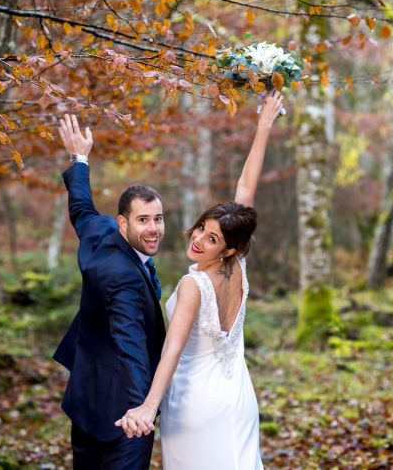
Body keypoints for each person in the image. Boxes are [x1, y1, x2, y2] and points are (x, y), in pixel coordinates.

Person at [115, 91, 284, 469]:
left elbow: (172, 350)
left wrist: (148, 406)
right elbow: (246, 191)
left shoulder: (195, 285)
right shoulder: (238, 265)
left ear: (226, 249)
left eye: (211, 239)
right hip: (238, 400)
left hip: (195, 406)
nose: (198, 239)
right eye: (202, 228)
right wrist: (263, 126)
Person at [52, 114, 166, 469]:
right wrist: (142, 410)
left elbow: (81, 209)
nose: (153, 230)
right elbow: (130, 342)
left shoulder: (101, 232)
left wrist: (79, 159)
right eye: (143, 220)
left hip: (85, 397)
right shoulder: (124, 279)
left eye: (158, 219)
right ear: (123, 222)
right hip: (121, 417)